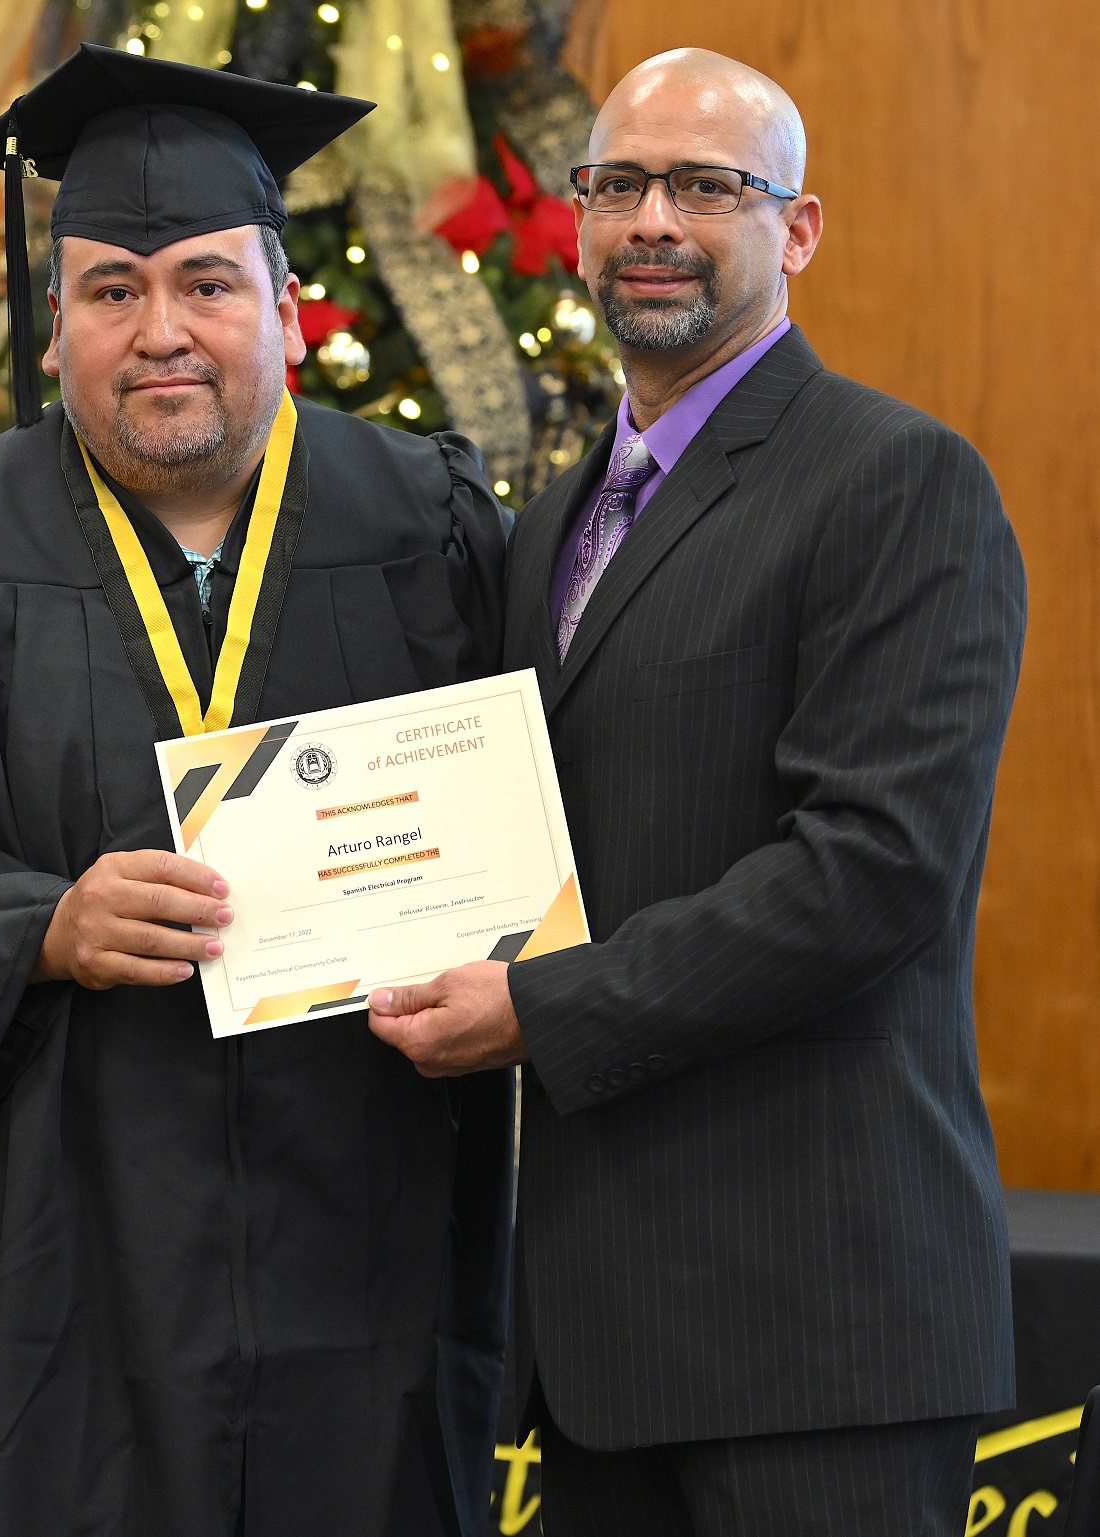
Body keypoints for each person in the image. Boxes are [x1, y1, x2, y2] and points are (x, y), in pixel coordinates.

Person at [0, 44, 514, 1537]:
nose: (160, 330)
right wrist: (37, 926)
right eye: (112, 288)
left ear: (285, 310)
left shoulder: (428, 527)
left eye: (206, 284)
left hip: (354, 1250)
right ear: (52, 330)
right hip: (46, 1279)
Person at [366, 48, 1026, 1533]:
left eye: (706, 185)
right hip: (604, 1343)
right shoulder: (554, 525)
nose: (652, 218)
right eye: (617, 185)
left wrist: (537, 1007)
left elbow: (872, 867)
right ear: (579, 220)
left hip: (817, 1331)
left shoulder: (898, 480)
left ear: (795, 229)